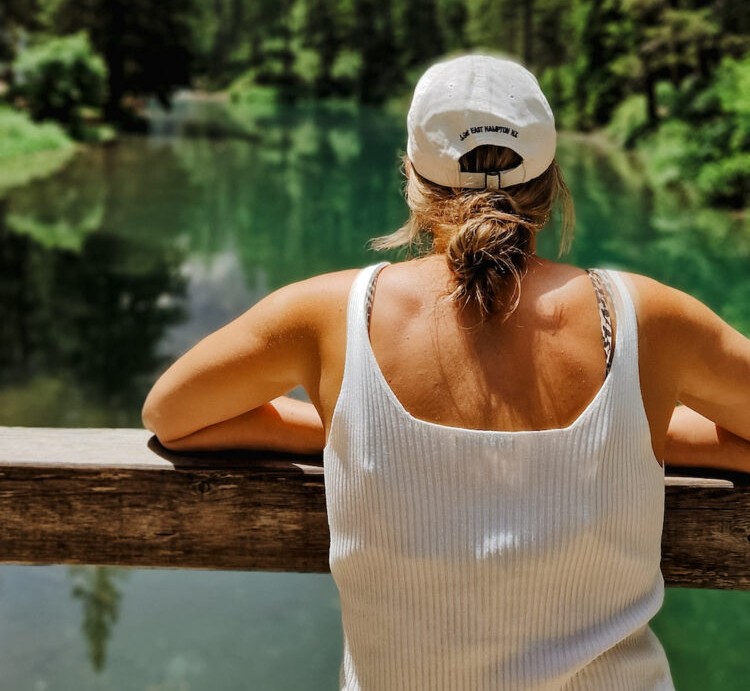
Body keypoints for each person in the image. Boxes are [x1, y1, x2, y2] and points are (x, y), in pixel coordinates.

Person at [142, 53, 750, 691]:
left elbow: (172, 414)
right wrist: (646, 438)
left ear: (412, 177)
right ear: (551, 182)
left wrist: (339, 430)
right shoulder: (642, 317)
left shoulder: (329, 313)